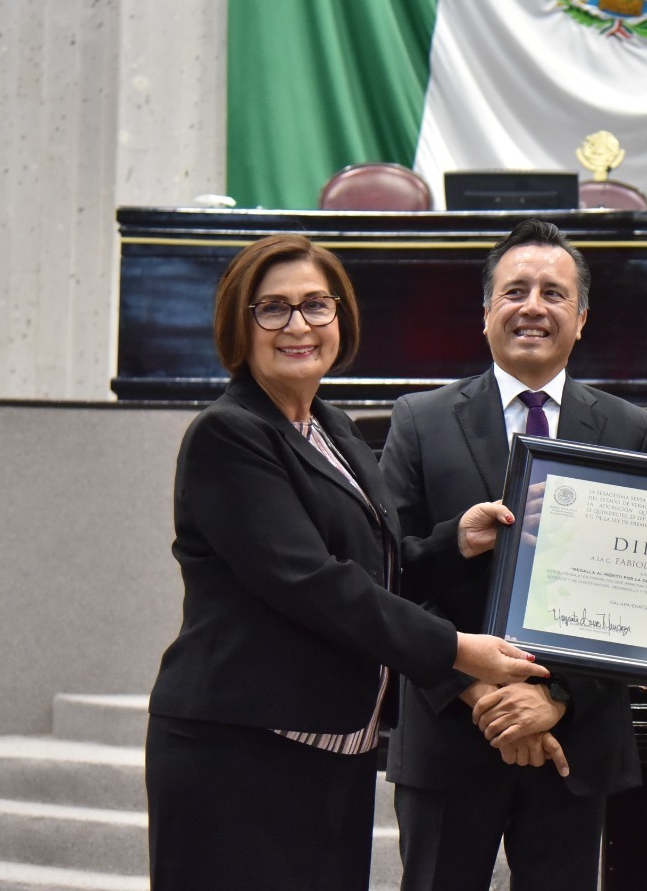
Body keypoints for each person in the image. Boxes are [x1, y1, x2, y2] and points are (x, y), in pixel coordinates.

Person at [145, 234, 546, 891]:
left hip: (332, 752)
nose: (298, 325)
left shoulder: (334, 428)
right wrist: (458, 650)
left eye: (315, 306)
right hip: (239, 753)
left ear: (342, 317)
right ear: (237, 326)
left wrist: (457, 541)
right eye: (271, 309)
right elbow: (313, 584)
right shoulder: (228, 434)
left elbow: (374, 570)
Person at [380, 218, 647, 891]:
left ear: (581, 317)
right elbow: (387, 577)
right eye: (515, 291)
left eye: (553, 293)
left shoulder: (630, 431)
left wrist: (554, 698)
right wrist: (480, 692)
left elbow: (644, 598)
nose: (533, 306)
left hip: (574, 739)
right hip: (450, 730)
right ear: (486, 313)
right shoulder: (418, 422)